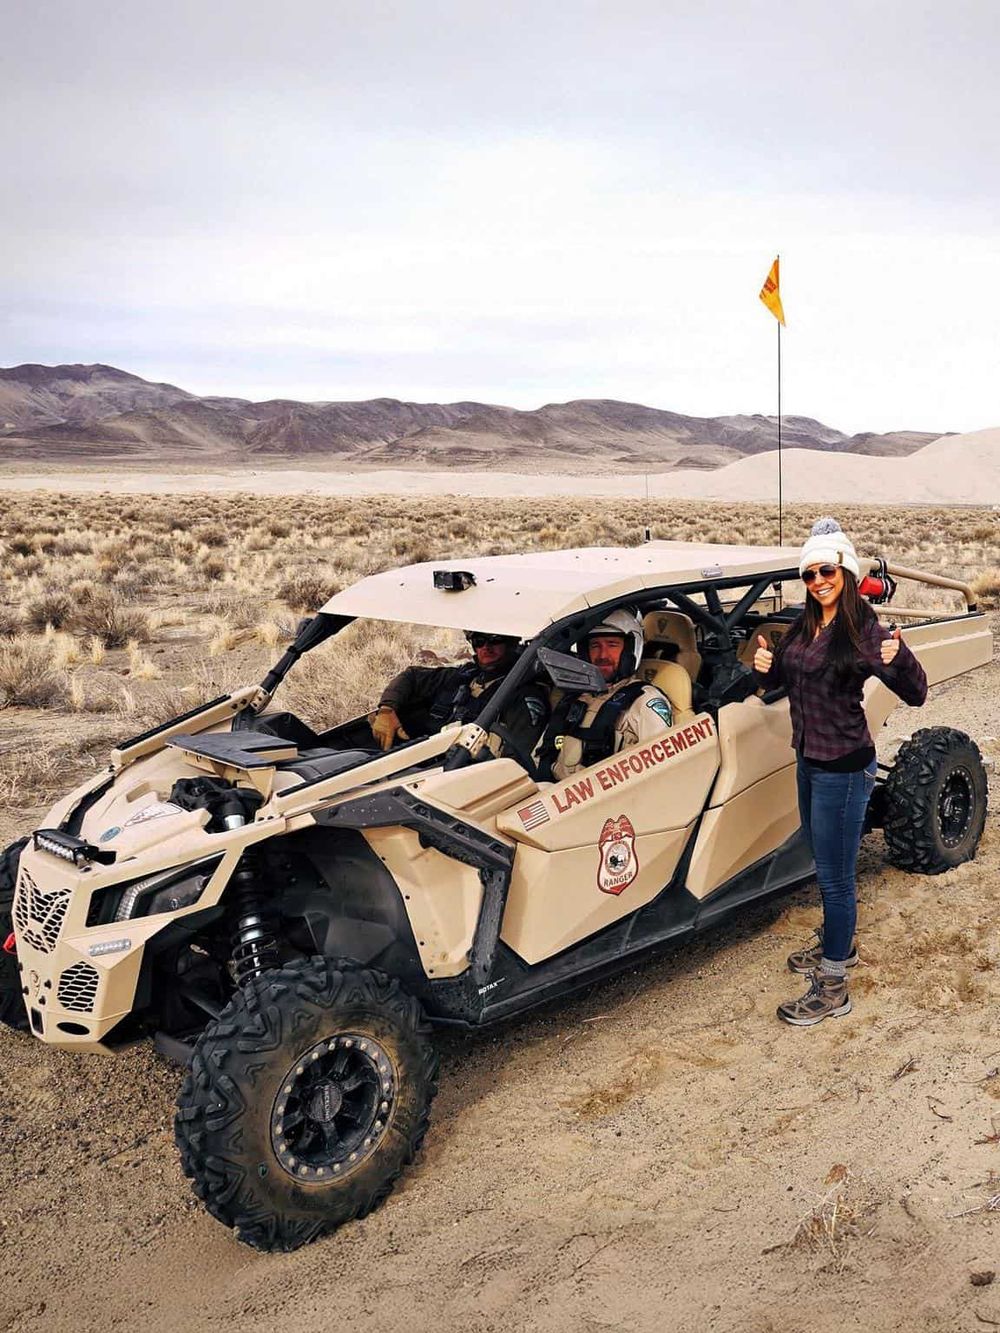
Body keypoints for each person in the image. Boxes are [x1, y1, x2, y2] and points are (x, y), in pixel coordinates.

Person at [753, 517, 927, 1027]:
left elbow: (916, 693)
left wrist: (900, 659)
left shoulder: (866, 630)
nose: (818, 581)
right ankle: (839, 947)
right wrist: (763, 668)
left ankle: (833, 984)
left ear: (846, 572)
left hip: (845, 769)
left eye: (826, 570)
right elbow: (781, 680)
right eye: (809, 574)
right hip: (809, 759)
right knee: (820, 858)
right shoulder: (804, 625)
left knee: (835, 876)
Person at [537, 608, 675, 782]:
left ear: (630, 650)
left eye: (612, 645)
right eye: (595, 646)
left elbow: (662, 772)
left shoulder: (645, 701)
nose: (602, 655)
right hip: (551, 795)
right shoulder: (574, 698)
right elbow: (541, 755)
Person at [371, 631, 549, 760]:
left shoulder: (523, 696)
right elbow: (411, 676)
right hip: (421, 759)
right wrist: (387, 709)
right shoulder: (461, 677)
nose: (486, 647)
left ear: (510, 643)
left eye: (495, 640)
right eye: (479, 641)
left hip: (460, 776)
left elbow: (514, 761)